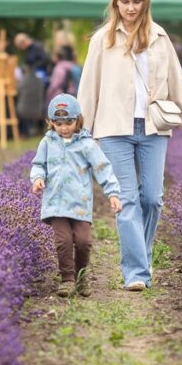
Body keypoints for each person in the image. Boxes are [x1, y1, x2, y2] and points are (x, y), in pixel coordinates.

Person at [77, 0, 182, 291]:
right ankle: (136, 272)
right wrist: (80, 135)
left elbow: (178, 85)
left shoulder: (159, 38)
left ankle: (141, 254)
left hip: (153, 129)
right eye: (125, 1)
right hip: (112, 129)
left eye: (136, 1)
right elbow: (88, 89)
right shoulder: (102, 40)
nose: (130, 8)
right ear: (116, 3)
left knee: (152, 199)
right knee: (127, 200)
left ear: (145, 2)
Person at [30, 94, 122, 298]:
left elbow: (102, 168)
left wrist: (113, 193)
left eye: (69, 122)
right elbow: (38, 164)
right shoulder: (47, 142)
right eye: (58, 123)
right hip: (55, 203)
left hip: (80, 204)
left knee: (83, 241)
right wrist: (37, 178)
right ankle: (67, 279)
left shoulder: (86, 144)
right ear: (51, 122)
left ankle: (81, 276)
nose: (64, 128)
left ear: (78, 120)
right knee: (62, 241)